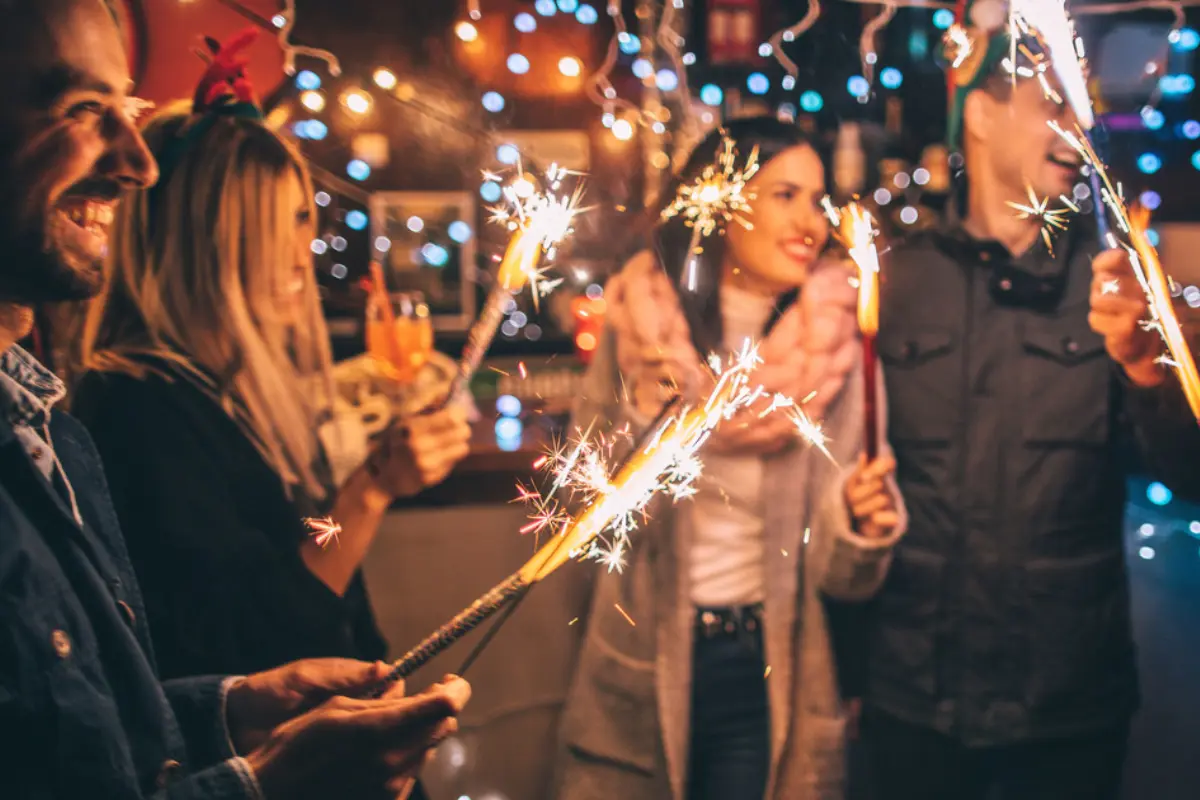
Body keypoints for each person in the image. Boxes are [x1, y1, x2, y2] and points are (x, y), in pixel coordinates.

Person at [0, 2, 470, 798]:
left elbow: (95, 722)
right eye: (83, 108)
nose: (136, 164)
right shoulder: (134, 406)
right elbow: (248, 625)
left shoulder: (54, 426)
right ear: (212, 238)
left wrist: (227, 710)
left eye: (131, 111)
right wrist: (375, 488)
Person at [860, 5, 1200, 799]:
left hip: (1067, 711)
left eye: (1082, 104)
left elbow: (1189, 476)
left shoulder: (1120, 281)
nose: (1075, 127)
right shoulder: (898, 282)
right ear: (977, 110)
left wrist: (1152, 370)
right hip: (913, 703)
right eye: (1052, 101)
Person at [69, 31, 471, 681]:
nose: (296, 254)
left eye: (297, 218)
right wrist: (370, 490)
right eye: (265, 224)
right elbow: (248, 640)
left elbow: (310, 564)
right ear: (194, 244)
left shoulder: (236, 389)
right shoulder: (136, 406)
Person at [553, 116, 908, 800]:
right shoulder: (640, 331)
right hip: (644, 662)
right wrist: (639, 427)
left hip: (771, 667)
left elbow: (844, 576)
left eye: (817, 198)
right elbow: (579, 519)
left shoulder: (841, 349)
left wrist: (864, 527)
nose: (812, 219)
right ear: (719, 202)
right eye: (785, 195)